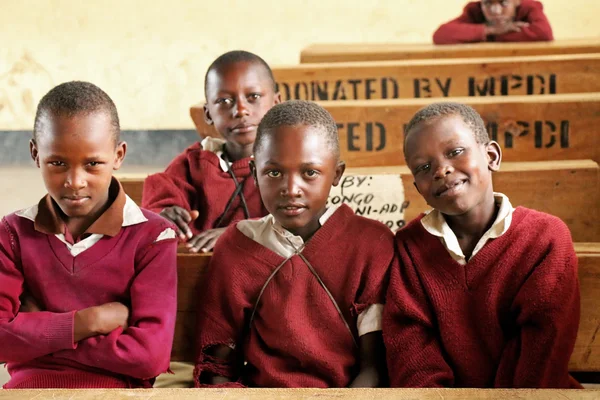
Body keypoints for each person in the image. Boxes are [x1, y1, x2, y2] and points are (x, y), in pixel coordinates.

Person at [194, 100, 394, 388]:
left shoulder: (371, 244)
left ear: (336, 174)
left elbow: (373, 368)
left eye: (309, 172)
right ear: (254, 171)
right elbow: (218, 363)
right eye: (274, 173)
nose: (290, 189)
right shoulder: (238, 245)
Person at [383, 102, 580, 388]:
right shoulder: (409, 247)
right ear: (418, 188)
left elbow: (543, 347)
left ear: (491, 156)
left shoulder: (546, 237)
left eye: (455, 152)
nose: (441, 170)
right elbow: (411, 347)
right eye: (424, 167)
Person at [0, 81, 178, 388]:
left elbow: (150, 357)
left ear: (118, 156)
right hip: (29, 392)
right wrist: (89, 323)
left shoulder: (153, 236)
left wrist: (42, 335)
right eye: (57, 163)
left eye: (93, 164)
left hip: (118, 394)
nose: (75, 181)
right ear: (34, 153)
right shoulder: (13, 233)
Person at [142, 50, 280, 253]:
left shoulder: (290, 164)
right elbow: (160, 200)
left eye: (253, 97)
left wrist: (241, 233)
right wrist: (163, 215)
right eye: (224, 101)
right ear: (208, 113)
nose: (240, 110)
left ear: (275, 104)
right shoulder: (193, 163)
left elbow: (298, 221)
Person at [433, 0, 553, 44]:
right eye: (488, 3)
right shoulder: (475, 10)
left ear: (517, 1)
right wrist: (490, 30)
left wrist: (489, 36)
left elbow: (544, 33)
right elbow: (441, 34)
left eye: (503, 3)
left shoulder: (529, 7)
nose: (495, 11)